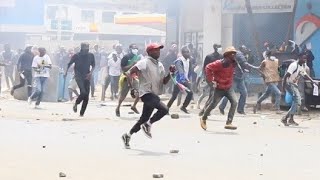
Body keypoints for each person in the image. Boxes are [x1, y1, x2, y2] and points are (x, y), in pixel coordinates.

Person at [121, 43, 174, 149]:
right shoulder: (144, 62)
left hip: (153, 94)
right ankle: (148, 125)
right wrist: (132, 88)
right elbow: (130, 72)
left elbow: (164, 81)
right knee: (164, 109)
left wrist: (171, 73)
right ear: (149, 52)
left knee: (143, 118)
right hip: (146, 93)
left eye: (159, 50)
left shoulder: (160, 65)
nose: (158, 52)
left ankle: (127, 135)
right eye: (155, 50)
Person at [199, 46, 238, 131]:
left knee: (234, 102)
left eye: (234, 54)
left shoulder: (233, 63)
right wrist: (211, 80)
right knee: (213, 104)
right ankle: (203, 118)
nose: (233, 56)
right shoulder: (219, 63)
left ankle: (229, 122)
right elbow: (208, 67)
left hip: (228, 87)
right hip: (219, 88)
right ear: (226, 55)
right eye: (231, 54)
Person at [219, 46, 259, 115]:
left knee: (243, 93)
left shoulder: (238, 55)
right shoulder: (239, 54)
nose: (246, 50)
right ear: (241, 49)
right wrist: (256, 68)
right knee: (233, 93)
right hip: (234, 77)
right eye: (245, 49)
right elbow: (245, 64)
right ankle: (226, 107)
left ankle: (238, 109)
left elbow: (242, 65)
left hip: (239, 76)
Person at [281, 53, 316, 126]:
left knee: (296, 101)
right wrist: (283, 89)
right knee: (297, 100)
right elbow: (285, 77)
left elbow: (305, 74)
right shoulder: (294, 65)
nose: (305, 60)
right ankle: (287, 118)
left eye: (305, 59)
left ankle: (288, 118)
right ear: (299, 58)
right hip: (289, 84)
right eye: (303, 58)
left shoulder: (301, 66)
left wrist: (313, 81)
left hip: (293, 84)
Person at [64, 42, 95, 117]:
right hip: (78, 75)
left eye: (88, 48)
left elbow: (93, 65)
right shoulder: (76, 55)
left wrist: (90, 73)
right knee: (83, 92)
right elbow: (69, 64)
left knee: (86, 97)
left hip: (87, 75)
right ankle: (76, 103)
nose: (87, 50)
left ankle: (81, 113)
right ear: (82, 48)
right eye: (85, 48)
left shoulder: (91, 55)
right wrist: (65, 72)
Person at [115, 44, 140, 117]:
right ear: (130, 49)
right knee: (123, 95)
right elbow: (123, 69)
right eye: (134, 48)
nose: (135, 49)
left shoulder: (138, 57)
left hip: (134, 77)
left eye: (136, 48)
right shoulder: (126, 57)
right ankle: (118, 107)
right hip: (126, 77)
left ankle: (134, 106)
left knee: (140, 92)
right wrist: (132, 64)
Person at [167, 46, 193, 114]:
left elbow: (189, 71)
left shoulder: (188, 60)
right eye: (186, 52)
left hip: (184, 80)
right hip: (179, 81)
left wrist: (188, 78)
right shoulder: (179, 61)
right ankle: (167, 109)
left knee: (176, 96)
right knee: (176, 96)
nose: (188, 53)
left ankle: (182, 107)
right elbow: (180, 70)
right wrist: (183, 79)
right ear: (183, 53)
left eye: (188, 52)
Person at [198, 44, 223, 110]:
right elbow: (205, 67)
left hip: (218, 77)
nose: (220, 48)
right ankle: (205, 109)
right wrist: (204, 76)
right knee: (212, 92)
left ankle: (206, 109)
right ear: (215, 48)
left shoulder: (221, 56)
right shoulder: (209, 57)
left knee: (213, 93)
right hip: (210, 77)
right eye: (219, 47)